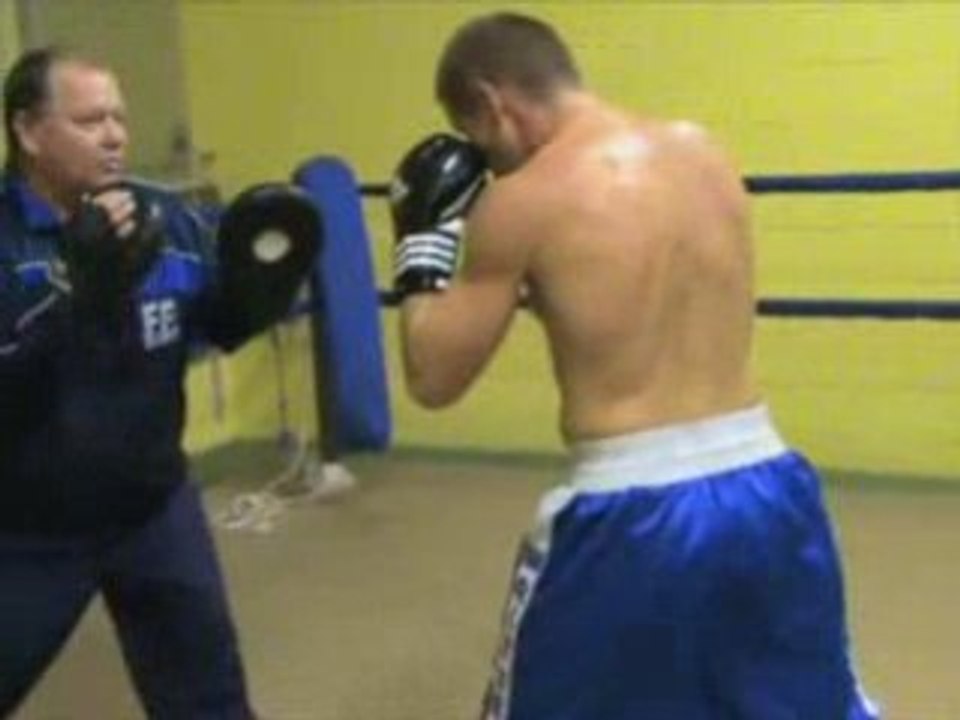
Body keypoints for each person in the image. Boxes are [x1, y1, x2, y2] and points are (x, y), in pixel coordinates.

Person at [388, 12, 880, 720]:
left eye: (479, 138)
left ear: (495, 103)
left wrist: (422, 248)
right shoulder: (706, 153)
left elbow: (434, 377)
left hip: (631, 510)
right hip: (769, 484)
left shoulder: (523, 202)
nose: (486, 160)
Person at [0, 46, 318, 718]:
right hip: (26, 525)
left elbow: (210, 324)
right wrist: (77, 303)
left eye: (118, 117)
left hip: (152, 507)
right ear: (29, 131)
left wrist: (255, 297)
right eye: (89, 121)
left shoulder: (165, 219)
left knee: (210, 701)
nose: (115, 136)